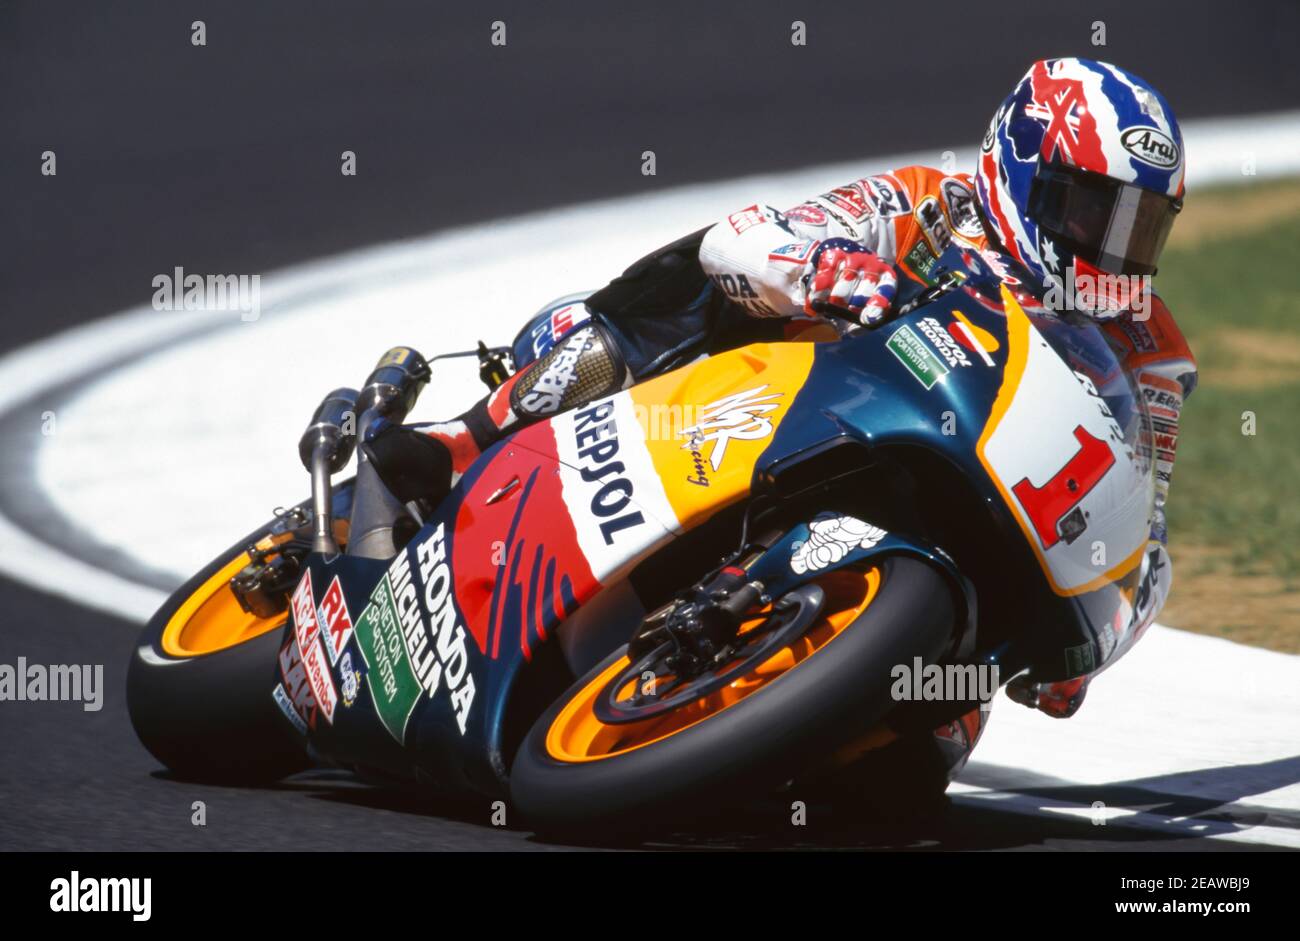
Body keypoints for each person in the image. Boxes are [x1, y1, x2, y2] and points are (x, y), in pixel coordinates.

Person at [364, 57, 1196, 720]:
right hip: (769, 419)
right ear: (1021, 166)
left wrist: (1089, 647)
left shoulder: (1153, 354)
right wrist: (825, 267)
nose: (1112, 252)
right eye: (1092, 213)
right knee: (696, 280)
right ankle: (462, 439)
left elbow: (1145, 541)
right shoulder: (924, 205)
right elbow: (745, 238)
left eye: (1141, 226)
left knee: (917, 778)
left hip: (960, 540)